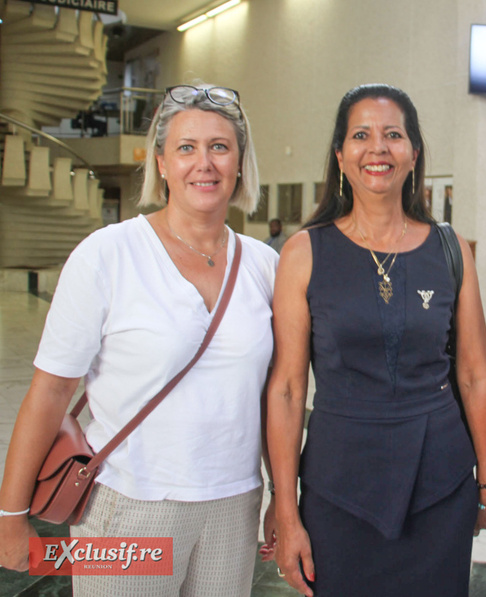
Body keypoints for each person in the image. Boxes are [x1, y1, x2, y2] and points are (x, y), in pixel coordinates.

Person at [0, 83, 278, 596]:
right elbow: (50, 392)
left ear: (240, 163)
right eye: (186, 148)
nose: (205, 163)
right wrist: (10, 514)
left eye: (220, 147)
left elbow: (272, 398)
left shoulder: (265, 265)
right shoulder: (107, 254)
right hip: (128, 504)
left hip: (233, 505)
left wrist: (282, 496)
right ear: (162, 163)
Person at [263, 84, 486, 597]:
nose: (378, 148)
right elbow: (286, 388)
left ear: (414, 153)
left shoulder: (450, 247)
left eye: (393, 135)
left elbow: (475, 374)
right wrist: (285, 507)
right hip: (339, 486)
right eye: (361, 136)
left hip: (439, 481)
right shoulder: (305, 251)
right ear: (340, 156)